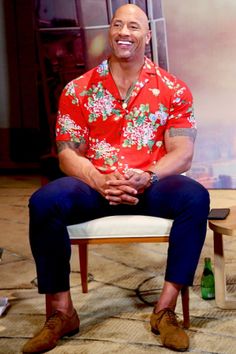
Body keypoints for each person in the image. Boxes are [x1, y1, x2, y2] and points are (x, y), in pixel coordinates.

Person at [22, 4, 210, 353]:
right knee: (44, 201)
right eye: (118, 25)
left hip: (149, 184)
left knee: (195, 197)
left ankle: (165, 310)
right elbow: (67, 154)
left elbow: (182, 152)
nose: (125, 32)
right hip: (95, 184)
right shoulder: (78, 89)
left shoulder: (174, 89)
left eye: (134, 26)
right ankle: (62, 313)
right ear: (109, 32)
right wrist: (98, 179)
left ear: (147, 35)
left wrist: (147, 176)